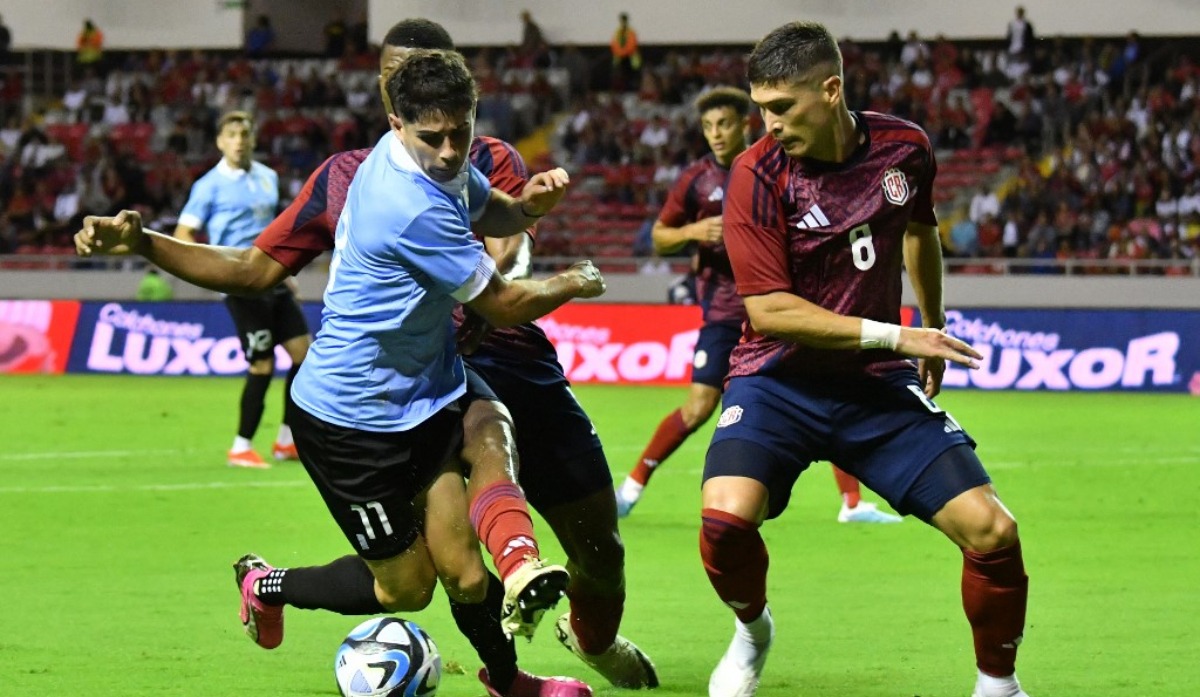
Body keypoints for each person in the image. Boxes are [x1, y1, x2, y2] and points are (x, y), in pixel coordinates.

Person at [74, 27, 629, 697]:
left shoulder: (445, 155)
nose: (451, 148)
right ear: (392, 109)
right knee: (407, 587)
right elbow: (258, 268)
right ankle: (265, 583)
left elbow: (491, 204)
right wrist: (145, 242)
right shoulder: (389, 192)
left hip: (431, 387)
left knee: (478, 500)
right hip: (353, 421)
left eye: (461, 130)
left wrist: (527, 207)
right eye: (435, 134)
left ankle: (511, 659)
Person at [700, 22, 1030, 697]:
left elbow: (919, 231)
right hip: (776, 379)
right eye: (761, 107)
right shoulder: (757, 173)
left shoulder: (903, 148)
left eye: (782, 106)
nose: (767, 123)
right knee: (725, 520)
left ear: (830, 89)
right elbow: (770, 312)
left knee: (993, 529)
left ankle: (999, 686)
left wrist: (932, 321)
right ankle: (753, 630)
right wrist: (900, 334)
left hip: (874, 387)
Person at [613, 86, 901, 525]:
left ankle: (853, 503)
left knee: (827, 387)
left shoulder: (775, 167)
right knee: (698, 407)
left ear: (745, 123)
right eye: (708, 127)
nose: (715, 134)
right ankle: (630, 489)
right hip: (727, 314)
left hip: (782, 310)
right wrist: (694, 233)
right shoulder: (696, 180)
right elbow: (658, 236)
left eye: (724, 123)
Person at [174, 110, 310, 469]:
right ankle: (241, 445)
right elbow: (183, 234)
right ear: (220, 141)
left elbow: (275, 230)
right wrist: (210, 271)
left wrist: (287, 271)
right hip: (240, 284)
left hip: (274, 279)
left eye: (244, 134)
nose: (238, 141)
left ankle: (286, 440)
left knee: (304, 357)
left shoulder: (267, 177)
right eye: (231, 135)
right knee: (262, 365)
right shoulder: (208, 185)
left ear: (252, 139)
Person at [609, 12, 640, 93]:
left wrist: (624, 52)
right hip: (619, 60)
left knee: (630, 79)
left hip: (630, 60)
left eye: (624, 20)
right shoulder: (617, 32)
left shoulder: (631, 32)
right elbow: (614, 44)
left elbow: (632, 45)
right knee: (619, 79)